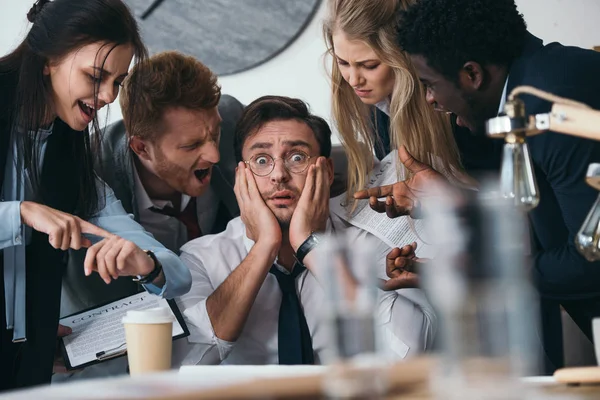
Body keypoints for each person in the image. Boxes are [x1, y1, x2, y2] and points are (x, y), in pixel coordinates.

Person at [374, 0, 600, 372]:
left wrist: (481, 272)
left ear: (472, 75)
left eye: (430, 85)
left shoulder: (549, 106)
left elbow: (590, 259)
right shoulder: (539, 77)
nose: (430, 100)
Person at [0, 0, 191, 390]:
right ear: (47, 59)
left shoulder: (71, 159)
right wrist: (20, 213)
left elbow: (176, 274)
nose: (108, 96)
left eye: (117, 82)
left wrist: (147, 264)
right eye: (95, 76)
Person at [174, 95, 436, 365]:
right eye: (261, 160)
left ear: (328, 171)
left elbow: (412, 350)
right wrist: (265, 246)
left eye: (297, 157)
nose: (279, 175)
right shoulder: (200, 259)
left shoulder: (376, 241)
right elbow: (186, 365)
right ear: (241, 176)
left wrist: (311, 245)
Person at [54, 51, 243, 382]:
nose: (213, 153)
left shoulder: (234, 121)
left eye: (214, 134)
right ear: (140, 148)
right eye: (192, 145)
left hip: (230, 338)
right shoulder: (85, 177)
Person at [322, 0, 472, 218]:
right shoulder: (375, 109)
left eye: (370, 65)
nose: (353, 80)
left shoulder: (458, 110)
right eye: (342, 63)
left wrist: (453, 199)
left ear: (403, 57)